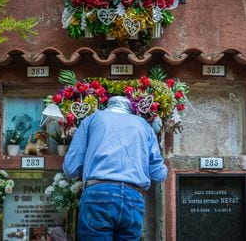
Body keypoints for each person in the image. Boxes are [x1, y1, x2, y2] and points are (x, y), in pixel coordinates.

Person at [63, 96, 168, 240]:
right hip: (133, 198)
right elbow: (159, 174)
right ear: (130, 109)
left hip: (98, 195)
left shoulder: (92, 120)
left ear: (107, 105)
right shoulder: (144, 126)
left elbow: (70, 169)